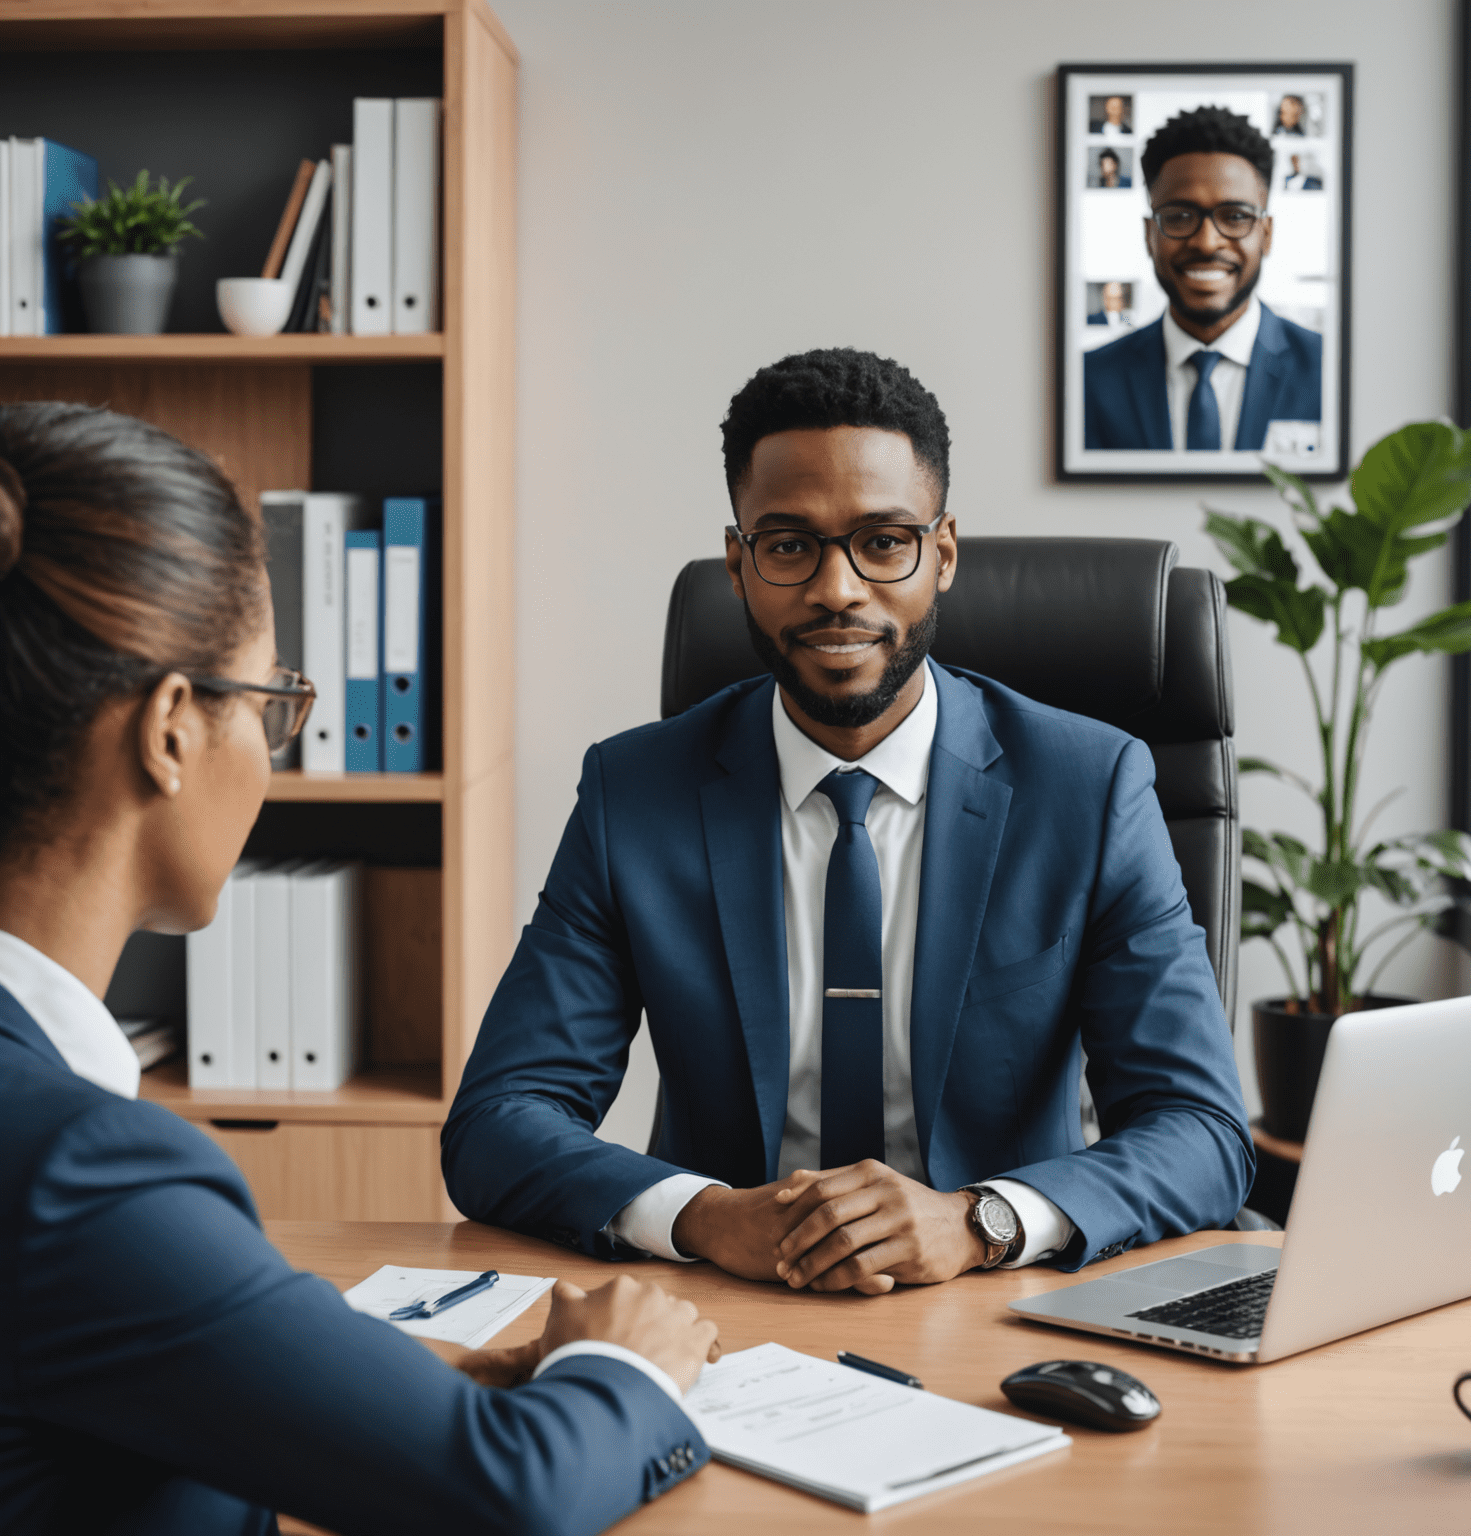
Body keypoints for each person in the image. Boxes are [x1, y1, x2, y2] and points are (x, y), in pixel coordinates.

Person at [0, 402, 718, 1536]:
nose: (273, 754)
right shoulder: (75, 1166)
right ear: (173, 729)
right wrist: (631, 1369)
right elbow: (510, 1497)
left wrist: (398, 1406)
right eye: (272, 702)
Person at [443, 347, 1254, 1299]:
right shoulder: (637, 791)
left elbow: (1200, 1129)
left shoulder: (1089, 787)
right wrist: (704, 1216)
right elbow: (499, 1118)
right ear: (739, 565)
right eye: (790, 545)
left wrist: (978, 1220)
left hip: (997, 1304)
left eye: (883, 541)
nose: (837, 589)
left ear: (942, 554)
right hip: (730, 1304)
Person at [1083, 105, 1323, 452]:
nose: (1207, 242)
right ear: (1149, 235)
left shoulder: (1328, 373)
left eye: (1236, 216)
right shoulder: (1089, 381)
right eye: (1179, 216)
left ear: (1266, 234)